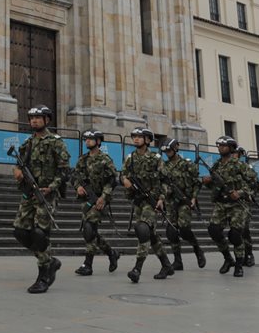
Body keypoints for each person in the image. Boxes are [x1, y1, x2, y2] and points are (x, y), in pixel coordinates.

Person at [11, 105, 69, 294]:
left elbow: (64, 171)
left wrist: (51, 188)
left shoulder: (56, 142)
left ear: (47, 120)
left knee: (40, 234)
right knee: (20, 231)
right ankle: (49, 261)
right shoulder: (27, 143)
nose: (34, 121)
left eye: (38, 117)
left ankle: (44, 275)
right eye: (31, 118)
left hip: (47, 194)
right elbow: (18, 165)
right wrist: (18, 172)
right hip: (29, 193)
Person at [120, 128, 173, 283]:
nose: (136, 139)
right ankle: (166, 265)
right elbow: (122, 174)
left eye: (139, 137)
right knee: (151, 235)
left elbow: (165, 181)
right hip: (138, 200)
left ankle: (137, 269)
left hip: (152, 201)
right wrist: (124, 181)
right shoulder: (130, 158)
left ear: (148, 140)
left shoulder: (155, 158)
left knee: (143, 231)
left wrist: (161, 199)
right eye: (134, 136)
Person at [70, 130, 120, 276]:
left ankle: (88, 264)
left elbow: (112, 180)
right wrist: (78, 186)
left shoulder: (105, 159)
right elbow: (74, 176)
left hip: (99, 200)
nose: (87, 141)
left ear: (98, 141)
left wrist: (103, 197)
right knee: (91, 232)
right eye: (86, 139)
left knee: (89, 228)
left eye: (91, 139)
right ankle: (111, 253)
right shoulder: (83, 159)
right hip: (87, 200)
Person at [201, 136, 249, 277]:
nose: (221, 148)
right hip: (221, 203)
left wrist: (239, 193)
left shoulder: (240, 165)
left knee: (235, 235)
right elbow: (213, 186)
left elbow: (252, 184)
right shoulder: (216, 165)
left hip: (237, 205)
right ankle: (228, 258)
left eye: (224, 145)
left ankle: (239, 264)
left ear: (231, 147)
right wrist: (207, 181)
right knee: (213, 230)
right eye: (219, 145)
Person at [159, 139, 205, 270]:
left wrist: (194, 198)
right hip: (170, 201)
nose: (167, 153)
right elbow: (160, 184)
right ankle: (178, 261)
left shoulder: (187, 165)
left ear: (175, 148)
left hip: (184, 200)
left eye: (169, 150)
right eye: (165, 151)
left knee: (184, 229)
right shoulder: (164, 167)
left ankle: (197, 248)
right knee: (171, 232)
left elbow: (197, 183)